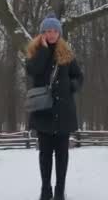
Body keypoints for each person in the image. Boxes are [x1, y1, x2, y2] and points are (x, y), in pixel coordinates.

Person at [26, 14, 84, 200]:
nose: (51, 34)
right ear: (42, 33)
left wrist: (71, 86)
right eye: (47, 31)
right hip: (44, 112)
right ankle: (45, 190)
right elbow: (33, 71)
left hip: (63, 112)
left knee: (62, 156)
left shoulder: (66, 54)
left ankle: (59, 191)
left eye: (54, 31)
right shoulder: (34, 53)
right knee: (45, 156)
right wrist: (43, 50)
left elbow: (78, 76)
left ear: (59, 33)